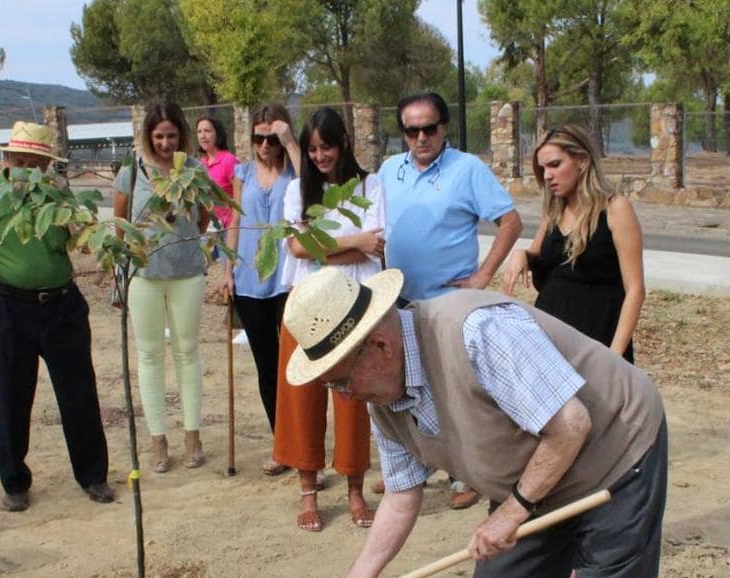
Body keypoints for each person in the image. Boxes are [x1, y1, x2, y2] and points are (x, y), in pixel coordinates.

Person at [285, 267, 668, 578]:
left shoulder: (477, 332)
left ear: (378, 345)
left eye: (340, 379)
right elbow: (402, 496)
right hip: (535, 477)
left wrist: (511, 512)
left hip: (615, 455)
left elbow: (570, 425)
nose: (342, 396)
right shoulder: (384, 398)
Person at [0, 120, 116, 511]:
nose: (27, 168)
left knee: (78, 393)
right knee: (10, 396)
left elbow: (81, 244)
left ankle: (93, 476)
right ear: (7, 160)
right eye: (20, 160)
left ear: (46, 166)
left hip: (62, 307)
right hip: (8, 309)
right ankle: (15, 482)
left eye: (35, 162)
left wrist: (77, 215)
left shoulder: (58, 197)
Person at [376, 91, 524, 510]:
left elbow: (510, 221)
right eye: (412, 130)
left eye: (429, 128)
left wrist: (482, 276)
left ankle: (467, 475)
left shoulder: (467, 169)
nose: (421, 137)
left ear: (444, 128)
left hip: (448, 305)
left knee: (455, 391)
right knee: (402, 388)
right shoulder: (389, 171)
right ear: (403, 132)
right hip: (399, 303)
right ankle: (405, 471)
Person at [275, 106, 384, 531]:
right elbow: (297, 249)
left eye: (328, 147)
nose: (320, 156)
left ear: (344, 144)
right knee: (303, 395)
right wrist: (353, 239)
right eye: (313, 149)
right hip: (306, 302)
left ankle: (355, 489)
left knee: (353, 397)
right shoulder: (297, 190)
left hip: (356, 302)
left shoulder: (369, 185)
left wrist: (331, 244)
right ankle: (307, 491)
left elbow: (373, 247)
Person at [114, 102, 212, 473]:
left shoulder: (193, 169)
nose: (166, 143)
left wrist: (184, 244)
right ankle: (158, 440)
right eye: (159, 136)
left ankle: (192, 436)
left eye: (172, 135)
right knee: (150, 355)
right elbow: (120, 218)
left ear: (181, 135)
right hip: (143, 275)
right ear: (148, 136)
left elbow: (204, 217)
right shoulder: (132, 169)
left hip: (187, 272)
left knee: (188, 353)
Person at [502, 124, 644, 362]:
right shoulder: (554, 211)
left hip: (596, 341)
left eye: (555, 164)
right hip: (548, 340)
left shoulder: (614, 208)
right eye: (542, 168)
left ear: (583, 160)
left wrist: (614, 358)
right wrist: (522, 254)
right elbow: (536, 253)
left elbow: (635, 290)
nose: (547, 175)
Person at [219, 103, 300, 476]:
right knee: (267, 366)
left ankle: (303, 441)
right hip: (250, 280)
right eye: (258, 138)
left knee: (296, 364)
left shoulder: (295, 170)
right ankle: (282, 444)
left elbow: (311, 189)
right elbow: (235, 218)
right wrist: (227, 268)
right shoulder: (242, 173)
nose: (265, 145)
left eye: (272, 138)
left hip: (288, 277)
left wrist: (291, 141)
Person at [195, 115, 238, 232]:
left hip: (228, 229)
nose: (203, 136)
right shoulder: (199, 164)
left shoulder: (229, 161)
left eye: (207, 131)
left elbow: (241, 198)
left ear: (217, 134)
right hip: (206, 230)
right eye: (199, 132)